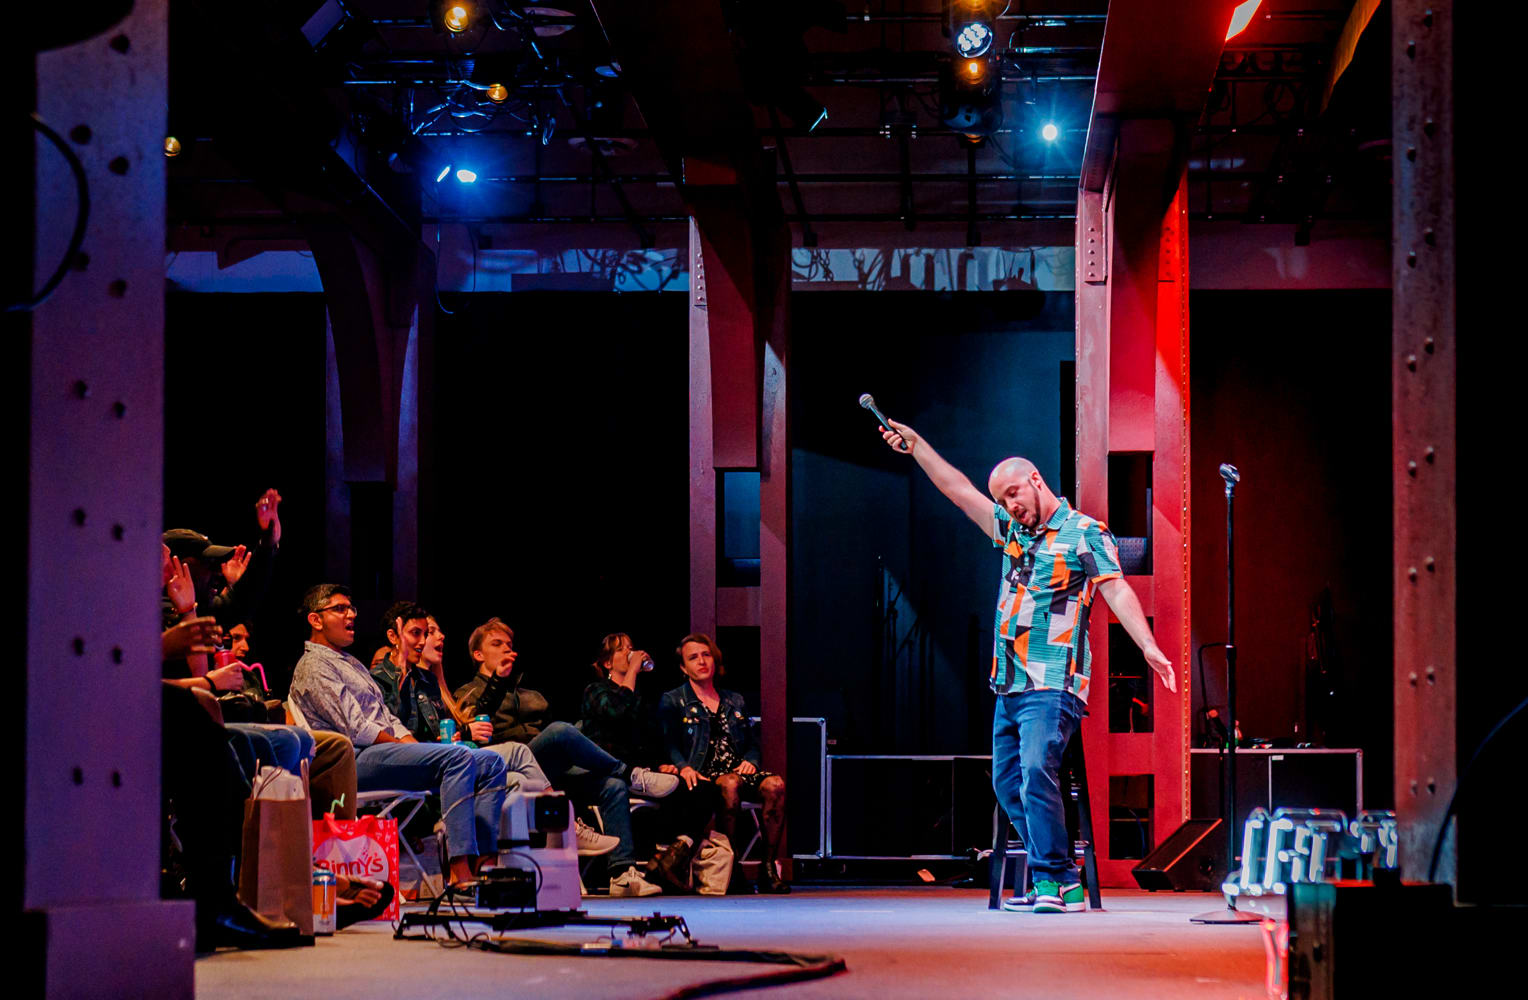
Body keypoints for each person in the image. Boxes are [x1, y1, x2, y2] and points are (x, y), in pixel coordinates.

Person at [878, 419, 1175, 914]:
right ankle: (1061, 881)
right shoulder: (1012, 532)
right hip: (1009, 683)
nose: (1010, 505)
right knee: (1006, 782)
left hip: (1053, 681)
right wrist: (918, 447)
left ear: (1036, 479)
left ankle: (1053, 882)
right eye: (1003, 499)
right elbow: (959, 492)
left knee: (1037, 769)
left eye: (1014, 493)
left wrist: (1147, 645)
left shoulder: (1084, 532)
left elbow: (1116, 588)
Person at [288, 584, 506, 889]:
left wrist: (415, 749)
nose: (351, 614)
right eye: (339, 609)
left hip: (377, 754)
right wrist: (408, 749)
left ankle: (486, 867)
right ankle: (459, 874)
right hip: (351, 761)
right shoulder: (313, 665)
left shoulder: (350, 662)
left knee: (492, 763)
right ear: (316, 620)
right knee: (457, 757)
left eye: (351, 608)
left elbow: (387, 718)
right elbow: (355, 728)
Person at [454, 617, 677, 896]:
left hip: (545, 769)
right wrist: (497, 681)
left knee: (612, 786)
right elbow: (473, 728)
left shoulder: (531, 695)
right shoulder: (468, 692)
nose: (506, 649)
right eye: (496, 644)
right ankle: (630, 774)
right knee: (561, 730)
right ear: (478, 654)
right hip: (507, 766)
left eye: (508, 644)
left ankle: (622, 874)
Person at [584, 632, 721, 893]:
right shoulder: (595, 691)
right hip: (611, 773)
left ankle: (671, 855)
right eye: (621, 650)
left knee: (704, 788)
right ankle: (645, 865)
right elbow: (617, 713)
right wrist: (633, 671)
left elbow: (651, 740)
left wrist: (662, 765)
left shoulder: (641, 697)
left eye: (631, 647)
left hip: (646, 775)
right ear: (607, 663)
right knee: (626, 784)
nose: (630, 653)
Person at [659, 633, 789, 894]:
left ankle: (767, 868)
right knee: (729, 785)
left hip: (736, 768)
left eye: (706, 655)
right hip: (704, 771)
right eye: (693, 658)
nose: (702, 661)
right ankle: (733, 868)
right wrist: (683, 766)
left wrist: (751, 761)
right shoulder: (673, 699)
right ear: (683, 667)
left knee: (775, 784)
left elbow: (752, 742)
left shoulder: (734, 699)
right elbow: (668, 743)